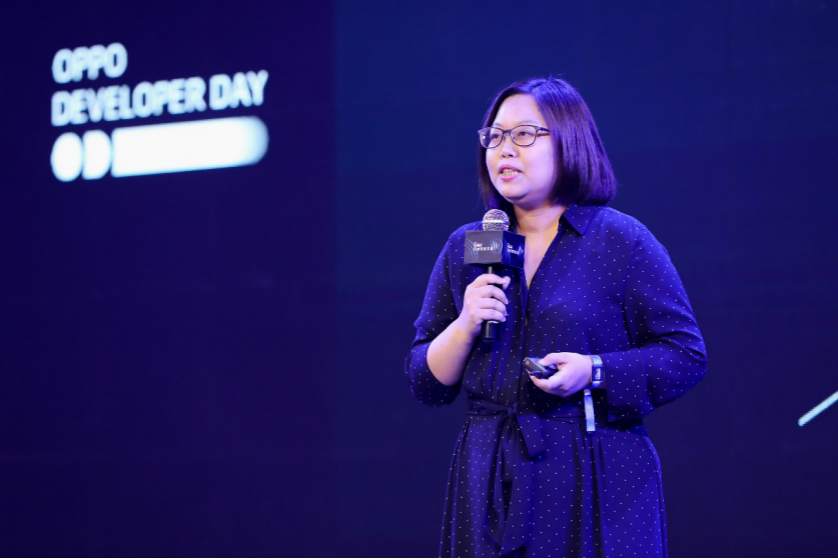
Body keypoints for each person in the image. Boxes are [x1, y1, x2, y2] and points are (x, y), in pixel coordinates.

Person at [404, 76, 707, 558]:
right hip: (488, 470)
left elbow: (685, 356)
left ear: (568, 142)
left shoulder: (620, 239)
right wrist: (465, 325)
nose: (504, 149)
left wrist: (594, 371)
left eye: (524, 134)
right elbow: (425, 382)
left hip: (592, 466)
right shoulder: (468, 246)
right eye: (494, 136)